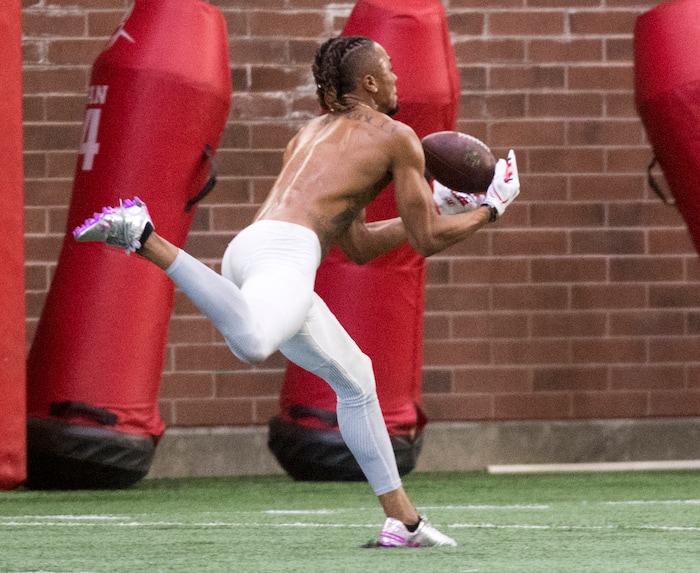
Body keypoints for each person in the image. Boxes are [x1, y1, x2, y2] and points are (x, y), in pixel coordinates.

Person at [73, 36, 519, 547]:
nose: (398, 78)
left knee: (356, 379)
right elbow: (427, 240)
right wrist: (490, 209)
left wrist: (442, 207)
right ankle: (143, 237)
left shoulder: (308, 134)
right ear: (369, 83)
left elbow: (357, 246)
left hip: (259, 251)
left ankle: (404, 522)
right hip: (285, 257)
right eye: (390, 68)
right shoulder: (398, 137)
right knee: (255, 342)